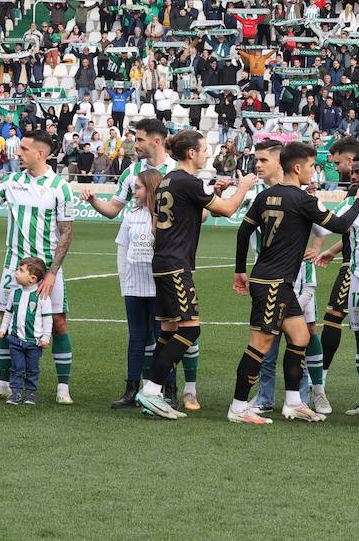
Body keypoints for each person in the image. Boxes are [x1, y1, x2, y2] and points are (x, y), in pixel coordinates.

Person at [228, 142, 359, 424]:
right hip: (273, 283)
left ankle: (293, 401)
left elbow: (244, 230)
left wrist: (239, 270)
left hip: (272, 279)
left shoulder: (266, 196)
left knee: (301, 337)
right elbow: (341, 227)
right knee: (260, 343)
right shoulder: (304, 200)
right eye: (310, 167)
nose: (313, 172)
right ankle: (238, 407)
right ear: (297, 168)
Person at [0, 130, 77, 404]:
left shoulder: (60, 187)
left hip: (47, 271)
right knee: (6, 323)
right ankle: (5, 384)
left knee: (57, 322)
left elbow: (66, 232)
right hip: (13, 269)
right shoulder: (12, 181)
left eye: (23, 149)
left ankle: (63, 388)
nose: (18, 153)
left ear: (40, 154)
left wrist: (53, 273)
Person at [137, 130, 255, 420]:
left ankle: (153, 392)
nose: (207, 154)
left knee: (167, 332)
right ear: (191, 152)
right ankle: (151, 391)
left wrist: (214, 192)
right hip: (176, 264)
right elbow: (227, 211)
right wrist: (243, 187)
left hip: (163, 261)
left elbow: (198, 212)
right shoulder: (188, 181)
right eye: (203, 149)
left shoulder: (170, 180)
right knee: (190, 330)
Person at [77, 119, 191, 407]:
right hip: (135, 267)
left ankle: (173, 390)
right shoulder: (131, 172)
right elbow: (113, 210)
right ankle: (133, 389)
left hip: (168, 265)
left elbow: (197, 214)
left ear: (156, 140)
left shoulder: (177, 172)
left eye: (139, 139)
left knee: (170, 332)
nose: (134, 144)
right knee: (139, 334)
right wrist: (93, 201)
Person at [314, 150, 359, 415]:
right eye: (353, 172)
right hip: (357, 279)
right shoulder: (351, 202)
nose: (354, 176)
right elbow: (329, 226)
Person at [100, 168, 163, 409]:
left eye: (138, 187)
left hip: (158, 288)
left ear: (151, 188)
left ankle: (167, 390)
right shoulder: (131, 216)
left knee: (162, 339)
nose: (134, 192)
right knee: (136, 337)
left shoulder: (166, 216)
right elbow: (122, 250)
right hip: (135, 286)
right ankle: (131, 389)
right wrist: (124, 282)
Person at [315, 137, 359, 383]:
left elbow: (343, 225)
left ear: (351, 161)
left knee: (333, 317)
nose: (335, 168)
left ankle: (319, 379)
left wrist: (311, 206)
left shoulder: (358, 190)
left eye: (337, 163)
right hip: (357, 260)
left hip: (354, 266)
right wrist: (333, 250)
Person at [0, 256, 53, 405]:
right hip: (15, 340)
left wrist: (46, 337)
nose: (16, 272)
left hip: (33, 342)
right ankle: (15, 392)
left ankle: (30, 393)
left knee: (32, 369)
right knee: (16, 367)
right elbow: (9, 313)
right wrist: (3, 329)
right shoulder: (14, 294)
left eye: (21, 270)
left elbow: (48, 319)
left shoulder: (42, 297)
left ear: (32, 278)